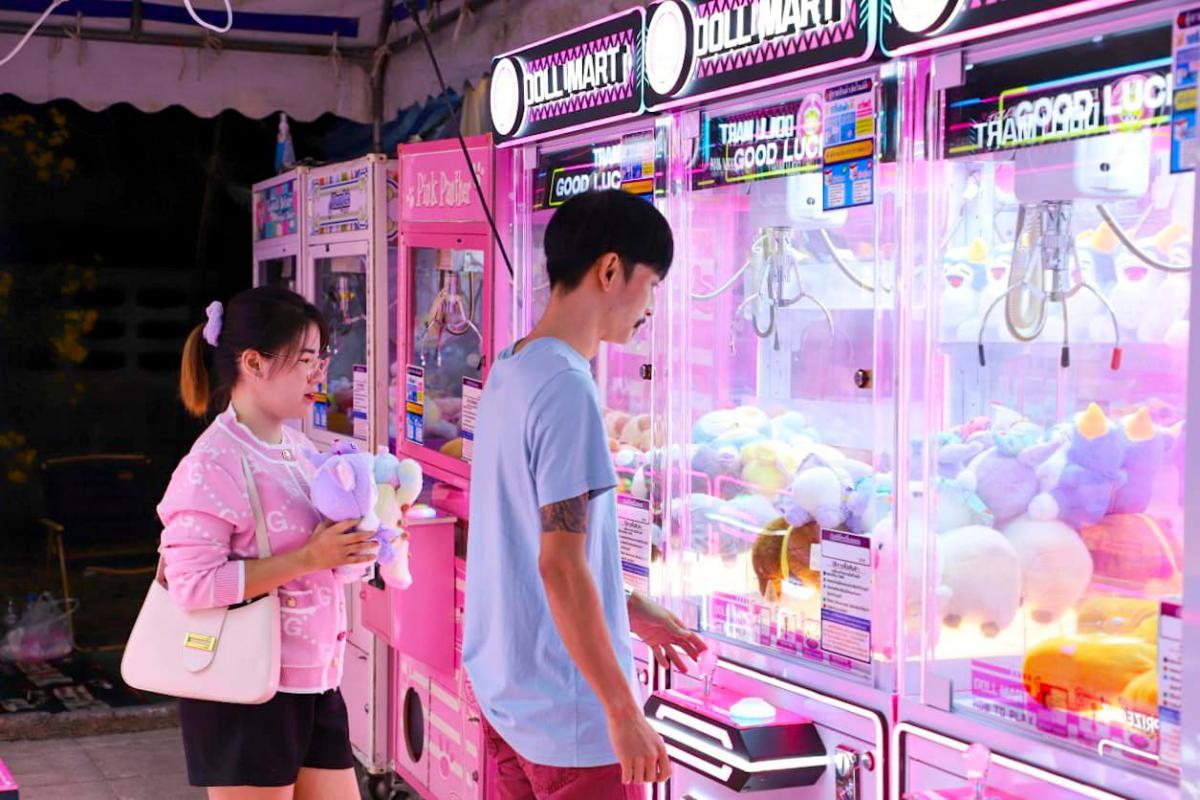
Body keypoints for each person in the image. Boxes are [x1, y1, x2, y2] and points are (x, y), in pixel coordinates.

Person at [463, 190, 707, 799]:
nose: (651, 307)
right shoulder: (567, 387)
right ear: (610, 269)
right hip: (570, 719)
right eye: (651, 284)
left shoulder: (511, 367)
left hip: (507, 702)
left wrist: (625, 605)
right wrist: (624, 712)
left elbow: (525, 539)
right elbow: (560, 566)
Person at [159, 286, 378, 800]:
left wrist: (359, 543)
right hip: (244, 691)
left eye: (321, 358)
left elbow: (324, 566)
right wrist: (308, 557)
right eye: (305, 360)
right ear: (254, 363)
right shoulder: (212, 462)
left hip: (315, 681)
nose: (319, 374)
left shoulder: (299, 451)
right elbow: (192, 586)